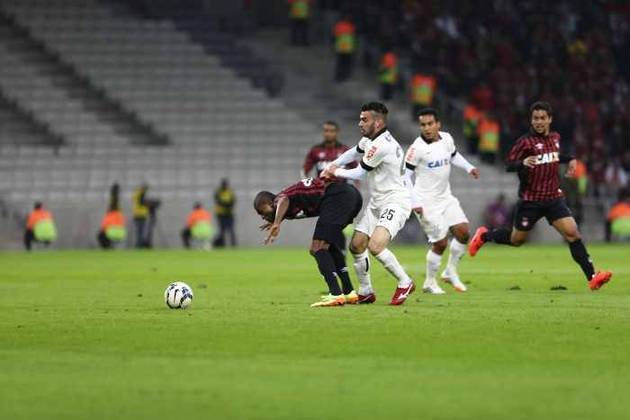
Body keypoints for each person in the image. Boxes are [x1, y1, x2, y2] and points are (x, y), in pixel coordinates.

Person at [469, 101, 613, 290]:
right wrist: (522, 163)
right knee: (517, 240)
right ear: (531, 120)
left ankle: (593, 277)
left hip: (553, 198)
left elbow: (553, 155)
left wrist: (570, 159)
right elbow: (508, 164)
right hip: (530, 201)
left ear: (549, 120)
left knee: (573, 234)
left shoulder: (555, 137)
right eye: (536, 118)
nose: (539, 122)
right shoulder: (525, 142)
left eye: (542, 118)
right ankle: (484, 236)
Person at [322, 102, 415, 305]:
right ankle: (366, 291)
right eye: (360, 118)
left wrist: (333, 172)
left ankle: (405, 281)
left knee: (375, 245)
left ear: (378, 122)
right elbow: (354, 152)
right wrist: (335, 163)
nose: (359, 123)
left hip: (395, 201)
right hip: (378, 201)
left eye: (365, 119)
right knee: (356, 245)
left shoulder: (382, 145)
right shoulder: (370, 139)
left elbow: (360, 172)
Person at [404, 108, 480, 294]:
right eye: (423, 125)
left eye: (430, 124)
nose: (427, 128)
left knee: (463, 233)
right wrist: (414, 201)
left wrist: (469, 167)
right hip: (426, 201)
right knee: (440, 243)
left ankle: (449, 271)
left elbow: (454, 156)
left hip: (445, 197)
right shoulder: (416, 149)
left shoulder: (446, 138)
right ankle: (429, 282)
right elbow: (405, 176)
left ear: (438, 124)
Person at [254, 177, 363, 307]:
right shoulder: (284, 208)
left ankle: (335, 294)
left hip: (337, 196)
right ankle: (349, 292)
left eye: (262, 211)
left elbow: (284, 200)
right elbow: (286, 206)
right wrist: (276, 221)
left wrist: (277, 223)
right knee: (327, 244)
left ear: (271, 203)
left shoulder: (280, 197)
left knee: (317, 248)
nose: (262, 216)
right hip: (351, 196)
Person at [214, 178, 236, 247]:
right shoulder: (218, 192)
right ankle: (222, 245)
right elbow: (218, 201)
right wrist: (226, 204)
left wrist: (225, 204)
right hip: (221, 214)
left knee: (231, 230)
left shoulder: (230, 191)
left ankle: (233, 245)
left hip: (229, 214)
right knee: (222, 231)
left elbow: (233, 201)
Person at [333, 17, 356, 82]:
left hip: (341, 47)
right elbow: (353, 36)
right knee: (345, 63)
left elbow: (334, 35)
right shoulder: (351, 26)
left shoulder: (339, 25)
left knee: (341, 63)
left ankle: (339, 76)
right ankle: (343, 75)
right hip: (347, 48)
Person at [132, 184, 149, 248]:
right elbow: (142, 203)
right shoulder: (140, 194)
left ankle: (139, 244)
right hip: (140, 215)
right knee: (140, 231)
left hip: (138, 214)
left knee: (139, 231)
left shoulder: (137, 194)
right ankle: (139, 244)